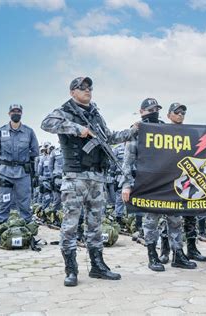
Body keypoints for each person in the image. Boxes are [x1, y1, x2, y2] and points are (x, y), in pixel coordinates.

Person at [41, 76, 137, 286]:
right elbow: (46, 123)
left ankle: (97, 266)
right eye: (82, 87)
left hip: (96, 178)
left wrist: (133, 131)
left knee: (95, 224)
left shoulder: (95, 115)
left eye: (90, 87)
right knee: (70, 225)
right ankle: (71, 270)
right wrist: (77, 129)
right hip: (75, 176)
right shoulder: (64, 111)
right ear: (72, 91)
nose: (88, 90)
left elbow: (109, 137)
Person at [122, 98, 197, 272]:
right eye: (149, 109)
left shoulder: (166, 129)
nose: (153, 112)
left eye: (156, 109)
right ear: (141, 112)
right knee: (151, 222)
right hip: (149, 184)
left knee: (175, 220)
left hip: (170, 184)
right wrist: (126, 185)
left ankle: (178, 255)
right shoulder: (136, 131)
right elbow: (128, 161)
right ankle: (152, 256)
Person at [166, 103, 206, 262]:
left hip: (189, 180)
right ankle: (167, 251)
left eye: (183, 112)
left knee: (191, 216)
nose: (180, 115)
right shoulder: (161, 131)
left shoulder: (191, 133)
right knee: (170, 218)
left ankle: (192, 249)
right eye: (176, 112)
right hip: (169, 181)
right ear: (169, 115)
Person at [0, 104, 39, 224]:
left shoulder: (29, 132)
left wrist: (28, 163)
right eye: (13, 111)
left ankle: (27, 228)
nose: (15, 113)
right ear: (9, 114)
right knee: (4, 201)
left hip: (23, 173)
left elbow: (35, 151)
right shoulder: (1, 131)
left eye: (18, 111)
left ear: (21, 113)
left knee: (25, 202)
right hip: (4, 173)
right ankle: (1, 228)